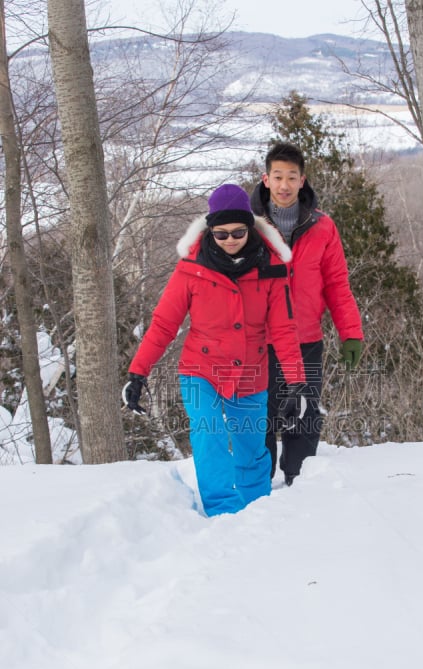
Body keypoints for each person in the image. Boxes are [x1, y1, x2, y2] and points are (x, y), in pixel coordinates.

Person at [122, 184, 306, 517]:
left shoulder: (271, 268)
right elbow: (164, 324)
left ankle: (256, 511)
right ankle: (222, 512)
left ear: (250, 227)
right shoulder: (191, 268)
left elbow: (283, 330)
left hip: (251, 371)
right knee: (210, 436)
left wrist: (295, 383)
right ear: (211, 231)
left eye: (238, 231)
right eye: (221, 234)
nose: (231, 239)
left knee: (251, 449)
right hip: (200, 368)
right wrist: (138, 372)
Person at [250, 142, 364, 485]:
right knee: (261, 414)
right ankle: (258, 483)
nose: (284, 185)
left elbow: (337, 285)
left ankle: (299, 483)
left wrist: (351, 333)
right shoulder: (246, 226)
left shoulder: (323, 227)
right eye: (278, 176)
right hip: (259, 340)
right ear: (266, 179)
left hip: (305, 338)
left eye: (292, 177)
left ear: (303, 180)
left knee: (304, 413)